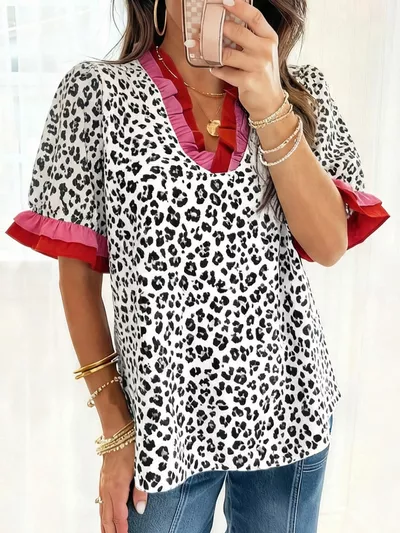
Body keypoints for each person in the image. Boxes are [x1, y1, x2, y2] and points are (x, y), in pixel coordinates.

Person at [5, 0, 390, 532]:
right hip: (163, 429)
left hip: (291, 412)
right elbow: (78, 281)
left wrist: (268, 101)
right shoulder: (97, 94)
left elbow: (328, 245)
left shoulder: (301, 94)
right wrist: (116, 432)